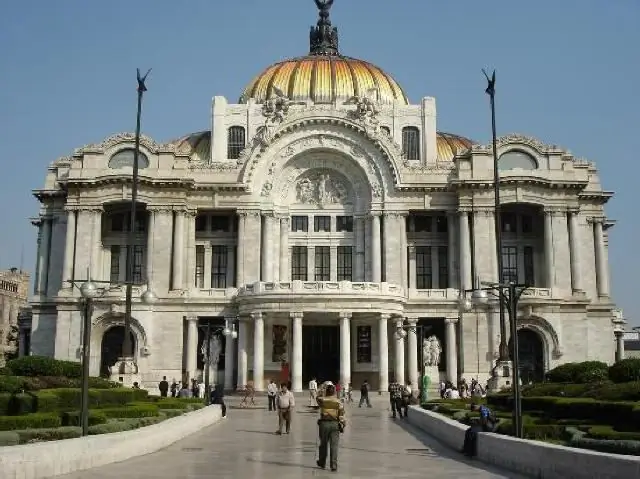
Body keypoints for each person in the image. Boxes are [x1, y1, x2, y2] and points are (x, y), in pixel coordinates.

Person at [316, 383, 346, 472]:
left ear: (326, 392)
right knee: (334, 446)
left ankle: (322, 462)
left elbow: (317, 396)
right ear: (334, 392)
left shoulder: (322, 400)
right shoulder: (338, 402)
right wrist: (343, 424)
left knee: (323, 444)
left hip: (324, 424)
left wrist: (322, 388)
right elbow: (341, 415)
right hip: (335, 424)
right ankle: (333, 465)